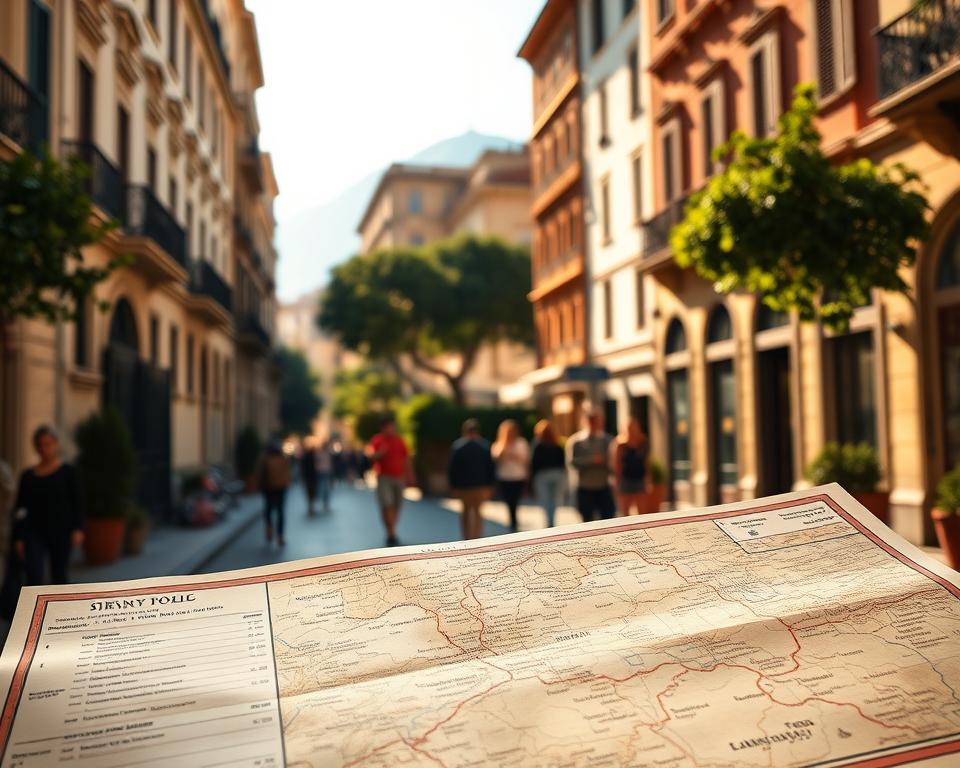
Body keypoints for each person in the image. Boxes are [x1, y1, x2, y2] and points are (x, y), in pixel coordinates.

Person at [11, 426, 84, 585]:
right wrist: (18, 537)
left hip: (61, 530)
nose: (45, 448)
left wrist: (78, 528)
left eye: (48, 444)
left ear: (56, 444)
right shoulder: (28, 476)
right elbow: (21, 508)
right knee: (34, 574)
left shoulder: (68, 472)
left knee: (59, 574)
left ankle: (60, 608)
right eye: (41, 444)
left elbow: (77, 502)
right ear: (36, 447)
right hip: (34, 531)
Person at [366, 416, 412, 546]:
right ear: (383, 428)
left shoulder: (399, 440)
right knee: (387, 505)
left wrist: (410, 476)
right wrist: (380, 453)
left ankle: (391, 528)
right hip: (384, 477)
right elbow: (370, 456)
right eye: (388, 427)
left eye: (392, 426)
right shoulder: (377, 440)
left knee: (397, 505)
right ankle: (391, 532)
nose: (391, 429)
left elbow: (406, 459)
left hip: (399, 477)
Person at [448, 419, 496, 540]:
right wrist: (491, 485)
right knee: (478, 512)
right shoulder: (485, 446)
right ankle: (477, 536)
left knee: (465, 512)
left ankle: (467, 537)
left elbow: (452, 469)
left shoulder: (458, 447)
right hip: (481, 486)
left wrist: (453, 485)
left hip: (464, 487)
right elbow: (491, 467)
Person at [566, 409, 615, 523]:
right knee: (587, 521)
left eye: (596, 421)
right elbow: (572, 463)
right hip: (585, 488)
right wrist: (591, 460)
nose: (593, 424)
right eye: (591, 421)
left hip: (603, 486)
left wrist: (605, 461)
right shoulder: (576, 441)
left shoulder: (607, 440)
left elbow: (614, 462)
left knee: (608, 520)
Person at [491, 420, 529, 533]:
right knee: (508, 500)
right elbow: (495, 458)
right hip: (504, 477)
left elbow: (526, 459)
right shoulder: (499, 443)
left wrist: (513, 455)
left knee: (515, 500)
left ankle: (514, 520)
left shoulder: (521, 443)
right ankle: (512, 521)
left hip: (518, 476)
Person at [530, 419, 567, 528]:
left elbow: (534, 463)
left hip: (543, 476)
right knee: (554, 500)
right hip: (557, 474)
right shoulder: (557, 444)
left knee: (545, 500)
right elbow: (562, 461)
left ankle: (549, 522)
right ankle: (551, 521)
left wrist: (531, 479)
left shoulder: (538, 445)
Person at [614, 418, 649, 516]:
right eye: (630, 428)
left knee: (642, 512)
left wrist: (648, 478)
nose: (633, 430)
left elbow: (646, 462)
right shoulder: (621, 444)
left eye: (635, 427)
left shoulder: (642, 442)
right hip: (626, 479)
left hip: (639, 478)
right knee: (625, 512)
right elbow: (617, 464)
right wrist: (617, 482)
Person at [260, 440, 291, 545]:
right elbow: (287, 474)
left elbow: (261, 475)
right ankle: (280, 536)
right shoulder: (284, 459)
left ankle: (269, 528)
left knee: (268, 509)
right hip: (281, 488)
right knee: (280, 511)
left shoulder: (266, 459)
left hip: (269, 488)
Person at [300, 438, 319, 515]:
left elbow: (303, 469)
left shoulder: (305, 457)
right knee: (312, 493)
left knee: (309, 494)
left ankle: (311, 507)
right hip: (312, 478)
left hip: (309, 478)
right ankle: (312, 507)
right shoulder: (313, 457)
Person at [316, 439, 333, 512]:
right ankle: (324, 502)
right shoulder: (320, 453)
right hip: (322, 472)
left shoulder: (327, 453)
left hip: (325, 472)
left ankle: (325, 503)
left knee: (325, 488)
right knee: (324, 488)